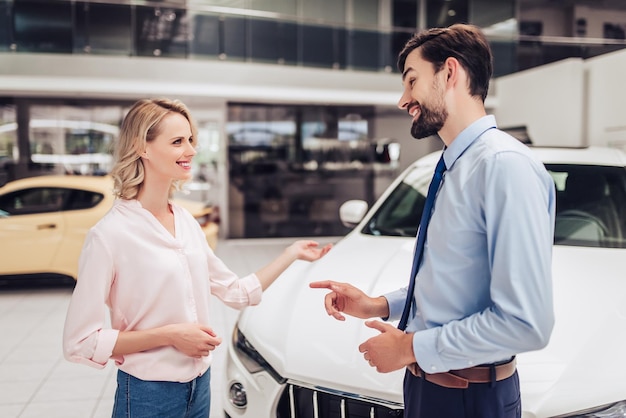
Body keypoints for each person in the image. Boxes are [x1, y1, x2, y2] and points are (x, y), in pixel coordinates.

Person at [310, 23, 555, 418]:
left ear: (450, 73)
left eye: (412, 81)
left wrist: (408, 348)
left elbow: (526, 323)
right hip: (431, 388)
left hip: (470, 397)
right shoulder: (453, 165)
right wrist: (377, 305)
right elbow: (453, 285)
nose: (403, 99)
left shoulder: (503, 167)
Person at [62, 98, 332, 418]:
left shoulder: (186, 222)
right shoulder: (109, 235)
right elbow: (81, 342)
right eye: (177, 141)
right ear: (141, 148)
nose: (191, 150)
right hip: (149, 394)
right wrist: (170, 336)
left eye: (191, 140)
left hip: (200, 387)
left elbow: (236, 292)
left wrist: (291, 254)